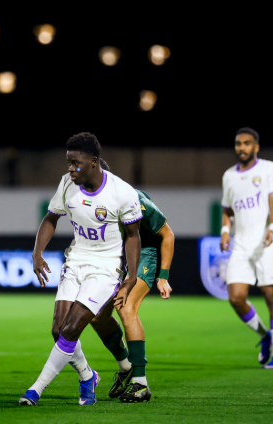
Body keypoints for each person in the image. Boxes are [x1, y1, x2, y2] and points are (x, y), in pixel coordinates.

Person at [19, 132, 142, 406]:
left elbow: (133, 235)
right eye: (68, 163)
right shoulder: (67, 183)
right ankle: (88, 376)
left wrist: (131, 276)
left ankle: (36, 389)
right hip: (75, 261)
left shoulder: (122, 192)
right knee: (58, 330)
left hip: (106, 268)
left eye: (76, 163)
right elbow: (51, 217)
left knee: (72, 328)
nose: (71, 169)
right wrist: (37, 253)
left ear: (93, 162)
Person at [88, 158, 175, 402]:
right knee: (96, 316)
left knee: (126, 308)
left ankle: (140, 382)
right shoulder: (88, 202)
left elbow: (168, 235)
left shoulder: (133, 199)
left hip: (145, 254)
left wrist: (163, 277)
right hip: (117, 257)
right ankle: (126, 366)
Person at [220, 127, 273, 369]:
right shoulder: (229, 175)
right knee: (236, 298)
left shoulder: (269, 169)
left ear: (256, 147)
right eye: (238, 143)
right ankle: (264, 335)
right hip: (241, 244)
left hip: (266, 243)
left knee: (271, 297)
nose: (242, 147)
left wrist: (272, 227)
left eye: (247, 143)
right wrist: (225, 230)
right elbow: (227, 210)